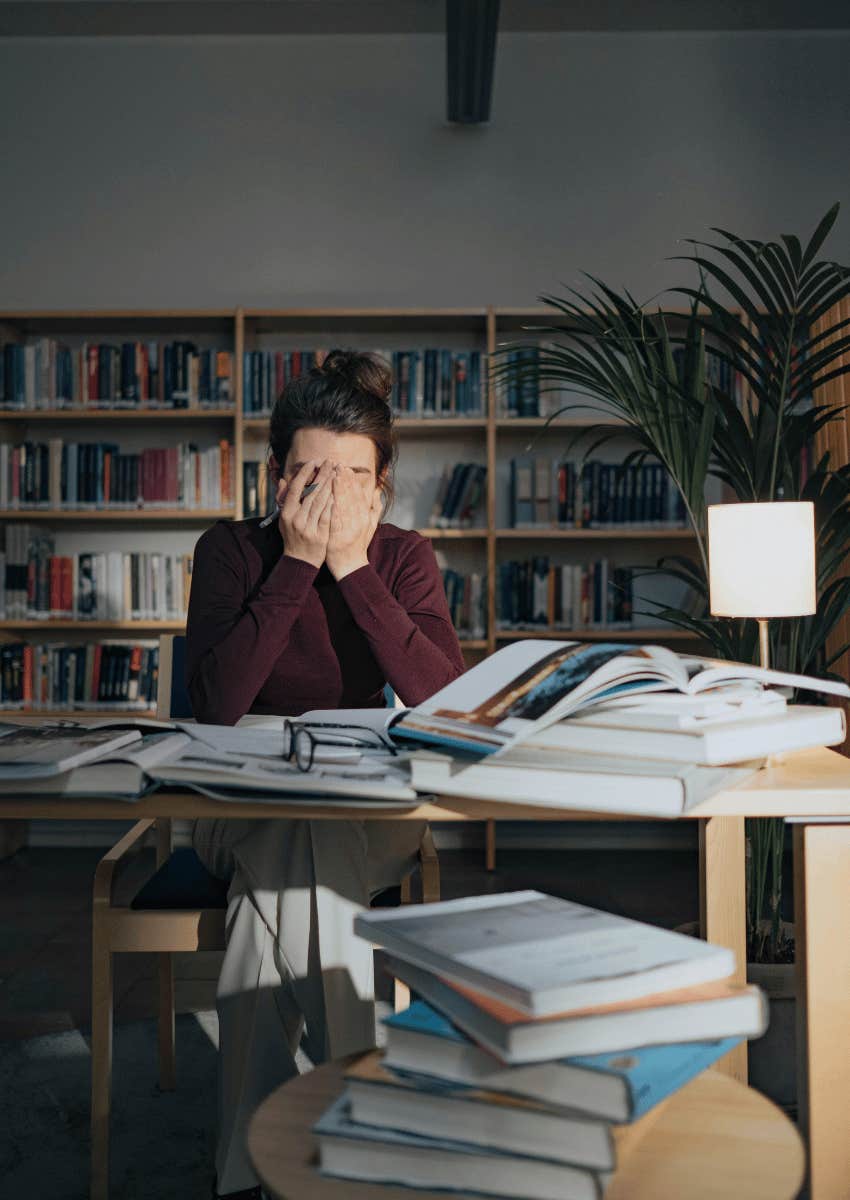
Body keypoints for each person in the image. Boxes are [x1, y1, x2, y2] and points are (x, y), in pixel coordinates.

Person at [185, 349, 465, 1200]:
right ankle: (355, 1134)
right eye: (311, 472)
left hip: (363, 810)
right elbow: (213, 708)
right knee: (294, 842)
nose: (332, 493)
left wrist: (352, 567)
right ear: (276, 479)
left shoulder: (406, 558)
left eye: (353, 476)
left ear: (380, 487)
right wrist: (299, 564)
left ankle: (248, 1170)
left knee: (277, 889)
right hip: (235, 809)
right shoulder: (231, 552)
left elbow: (442, 702)